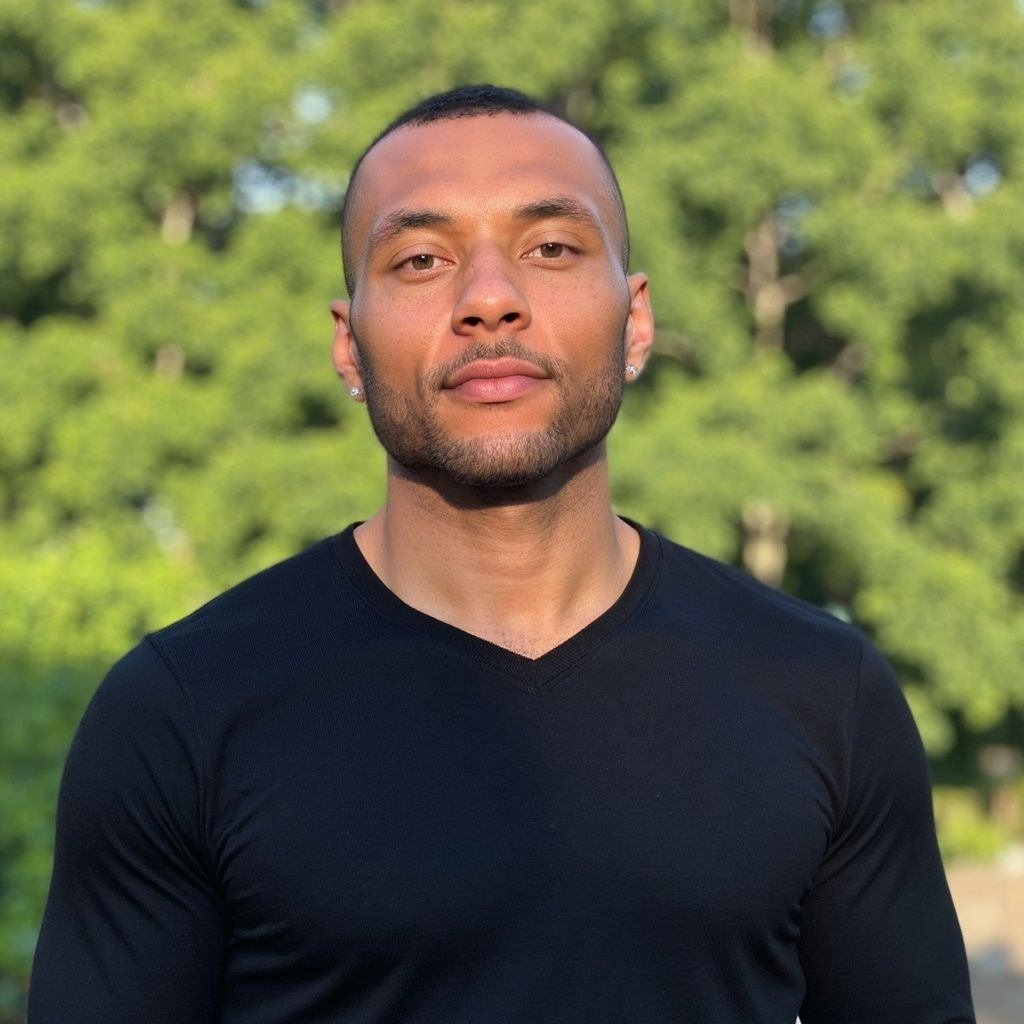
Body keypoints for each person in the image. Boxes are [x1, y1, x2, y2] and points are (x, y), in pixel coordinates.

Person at [29, 84, 975, 1023]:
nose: (489, 299)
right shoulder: (182, 713)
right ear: (349, 345)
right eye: (421, 258)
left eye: (552, 248)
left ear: (636, 320)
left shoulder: (822, 691)